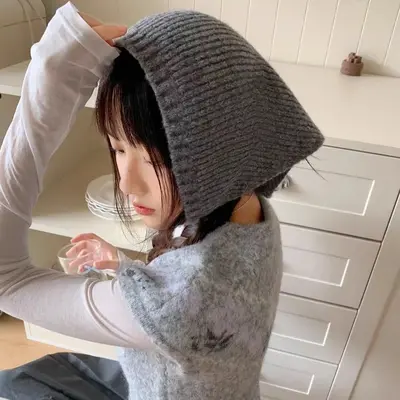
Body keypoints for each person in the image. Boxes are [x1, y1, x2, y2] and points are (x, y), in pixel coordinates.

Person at [0, 2, 324, 400]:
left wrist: (52, 82)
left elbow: (6, 278)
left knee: (14, 384)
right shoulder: (248, 210)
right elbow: (185, 289)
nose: (126, 183)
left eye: (153, 160)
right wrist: (124, 268)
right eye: (118, 148)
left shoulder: (180, 303)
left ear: (217, 152)